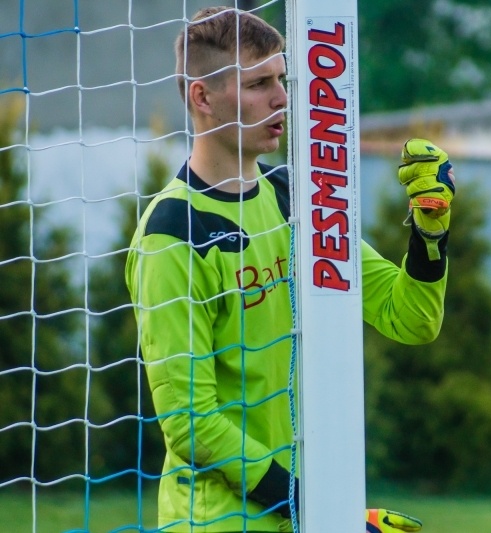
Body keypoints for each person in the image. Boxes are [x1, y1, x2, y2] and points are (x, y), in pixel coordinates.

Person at [125, 7, 454, 533]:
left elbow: (410, 318)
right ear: (202, 98)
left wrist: (429, 231)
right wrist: (315, 507)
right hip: (218, 523)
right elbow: (192, 425)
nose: (281, 98)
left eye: (282, 79)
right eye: (258, 83)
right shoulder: (171, 235)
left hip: (298, 514)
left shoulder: (294, 199)